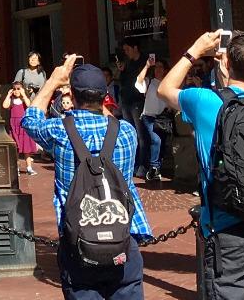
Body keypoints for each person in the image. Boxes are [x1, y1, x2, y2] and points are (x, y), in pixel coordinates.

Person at [159, 30, 244, 300]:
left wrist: (195, 50)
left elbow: (165, 89)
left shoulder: (205, 101)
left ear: (225, 64)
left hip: (227, 228)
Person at [24, 56, 151, 300]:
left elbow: (30, 120)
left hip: (79, 242)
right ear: (105, 96)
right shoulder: (126, 132)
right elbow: (108, 119)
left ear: (72, 95)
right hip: (123, 239)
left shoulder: (59, 130)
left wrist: (53, 81)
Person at [135, 56, 170, 184]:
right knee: (156, 140)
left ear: (165, 70)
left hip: (163, 118)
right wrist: (147, 65)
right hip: (148, 116)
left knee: (161, 143)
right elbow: (138, 82)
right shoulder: (149, 81)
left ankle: (157, 169)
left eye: (161, 67)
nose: (158, 69)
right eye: (156, 67)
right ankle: (153, 167)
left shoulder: (168, 83)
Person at [6, 79, 40, 175]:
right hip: (14, 127)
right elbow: (5, 105)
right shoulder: (11, 100)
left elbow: (29, 105)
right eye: (14, 89)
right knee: (16, 148)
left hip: (23, 126)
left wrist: (24, 94)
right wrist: (8, 95)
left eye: (18, 89)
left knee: (26, 148)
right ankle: (16, 168)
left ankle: (29, 168)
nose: (16, 91)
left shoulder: (24, 100)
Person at [116, 40, 145, 130]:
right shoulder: (128, 63)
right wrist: (121, 70)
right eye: (124, 50)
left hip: (138, 101)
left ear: (135, 48)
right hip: (126, 101)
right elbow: (121, 80)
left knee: (140, 130)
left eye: (127, 49)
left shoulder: (144, 62)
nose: (126, 52)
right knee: (129, 129)